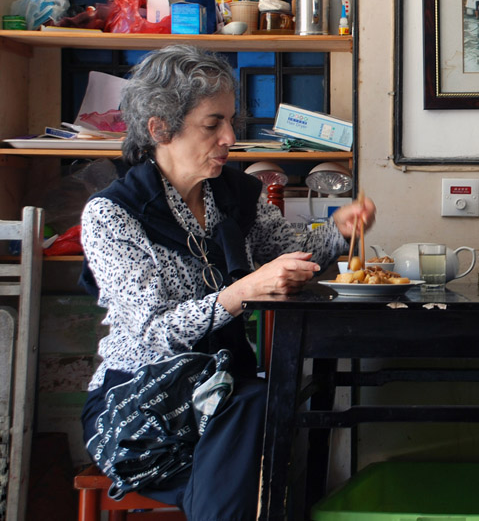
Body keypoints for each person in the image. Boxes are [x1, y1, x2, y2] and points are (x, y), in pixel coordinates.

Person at [79, 44, 376, 520]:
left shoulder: (232, 194)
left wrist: (340, 231)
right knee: (259, 413)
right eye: (212, 124)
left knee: (258, 406)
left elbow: (288, 254)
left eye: (231, 121)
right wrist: (241, 293)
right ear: (159, 128)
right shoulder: (113, 214)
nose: (230, 138)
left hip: (223, 398)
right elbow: (155, 331)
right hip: (145, 407)